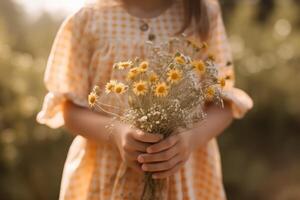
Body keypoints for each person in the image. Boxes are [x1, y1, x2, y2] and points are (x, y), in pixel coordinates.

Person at [37, 0, 253, 199]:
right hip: (106, 178)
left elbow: (222, 101)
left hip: (184, 177)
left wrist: (190, 139)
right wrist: (117, 132)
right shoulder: (87, 20)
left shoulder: (203, 15)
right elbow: (69, 109)